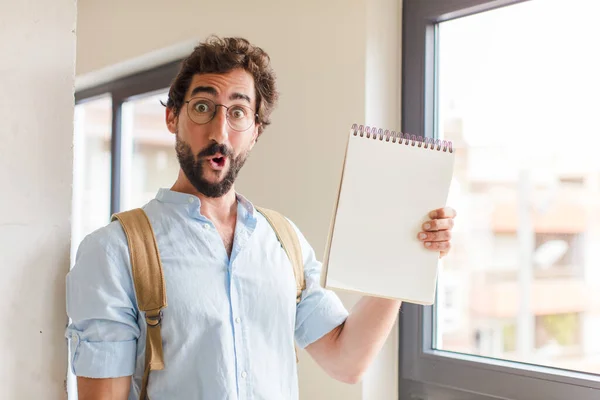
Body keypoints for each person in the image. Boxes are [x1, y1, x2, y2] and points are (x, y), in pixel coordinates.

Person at [65, 36, 457, 400]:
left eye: (238, 112)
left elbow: (347, 359)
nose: (220, 130)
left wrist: (408, 253)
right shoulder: (114, 251)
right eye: (203, 107)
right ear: (173, 119)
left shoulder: (283, 242)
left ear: (255, 131)